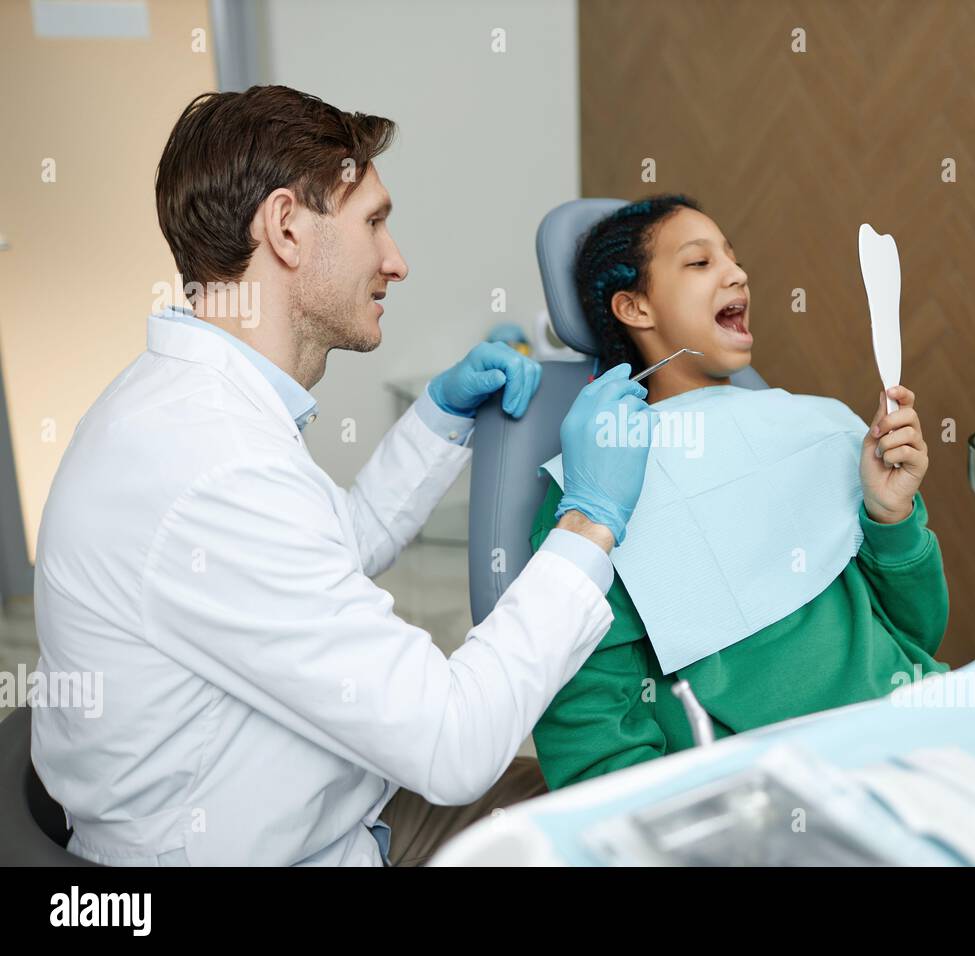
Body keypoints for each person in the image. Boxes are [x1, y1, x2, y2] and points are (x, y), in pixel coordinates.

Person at [31, 85, 653, 866]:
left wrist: (438, 417)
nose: (396, 262)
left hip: (330, 816)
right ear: (286, 228)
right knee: (624, 835)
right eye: (374, 223)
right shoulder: (213, 464)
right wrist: (588, 521)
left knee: (608, 805)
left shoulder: (185, 407)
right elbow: (453, 743)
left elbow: (331, 549)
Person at [529, 196, 949, 788]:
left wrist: (892, 515)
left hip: (922, 737)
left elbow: (917, 636)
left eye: (734, 259)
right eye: (699, 263)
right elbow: (589, 715)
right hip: (777, 798)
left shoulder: (821, 429)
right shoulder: (600, 484)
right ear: (634, 306)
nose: (737, 273)